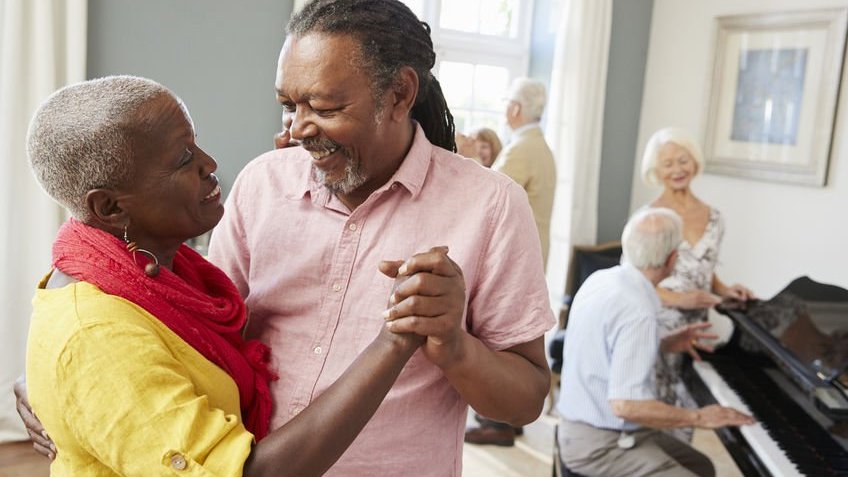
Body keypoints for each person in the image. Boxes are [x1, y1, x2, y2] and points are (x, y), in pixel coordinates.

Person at [20, 75, 461, 476]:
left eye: (197, 144)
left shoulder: (160, 275)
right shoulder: (98, 337)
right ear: (111, 208)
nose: (210, 163)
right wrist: (396, 339)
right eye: (182, 159)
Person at [211, 1, 553, 475]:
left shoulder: (490, 205)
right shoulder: (262, 185)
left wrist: (454, 345)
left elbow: (526, 402)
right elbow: (207, 337)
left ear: (399, 94)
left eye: (326, 108)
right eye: (289, 106)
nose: (297, 130)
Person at [555, 208, 754, 477]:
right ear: (673, 258)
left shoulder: (603, 280)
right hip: (600, 445)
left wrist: (664, 342)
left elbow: (606, 345)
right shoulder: (638, 310)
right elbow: (626, 406)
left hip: (580, 428)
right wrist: (699, 417)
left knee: (701, 467)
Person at [639, 127, 755, 441]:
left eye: (683, 160)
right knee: (655, 418)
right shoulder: (650, 219)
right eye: (667, 164)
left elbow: (704, 269)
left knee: (687, 416)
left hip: (696, 335)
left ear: (695, 162)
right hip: (659, 329)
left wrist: (725, 289)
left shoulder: (715, 217)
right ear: (655, 170)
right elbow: (633, 285)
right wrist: (681, 300)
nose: (677, 170)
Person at [464, 77, 556, 446]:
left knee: (496, 337)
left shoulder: (521, 150)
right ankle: (508, 420)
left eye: (506, 104)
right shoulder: (541, 148)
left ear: (515, 109)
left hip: (513, 257)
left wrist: (467, 160)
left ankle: (496, 422)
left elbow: (486, 200)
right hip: (536, 252)